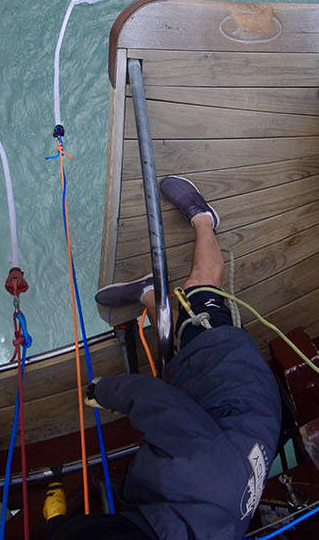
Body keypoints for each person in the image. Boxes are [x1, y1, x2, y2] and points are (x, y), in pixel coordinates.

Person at [52, 176, 281, 539]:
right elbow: (152, 400)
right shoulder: (195, 472)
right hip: (234, 378)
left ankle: (147, 293)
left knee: (180, 343)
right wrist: (102, 391)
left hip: (226, 426)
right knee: (200, 291)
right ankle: (204, 218)